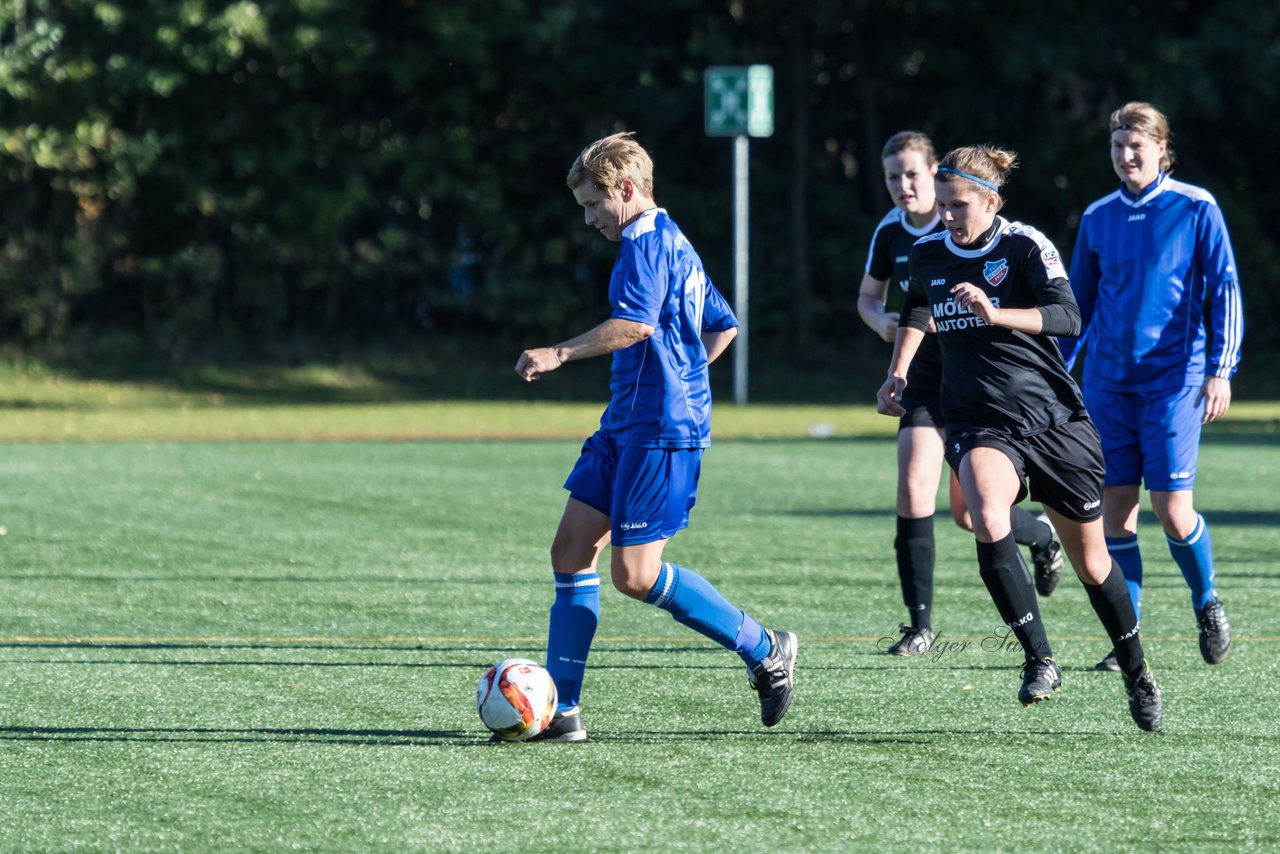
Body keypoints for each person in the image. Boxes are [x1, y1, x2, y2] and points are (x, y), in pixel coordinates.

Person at [512, 132, 797, 742]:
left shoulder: (646, 241)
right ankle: (563, 713)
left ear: (626, 190)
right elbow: (722, 324)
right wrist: (685, 374)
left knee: (635, 576)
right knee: (570, 550)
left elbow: (635, 325)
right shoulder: (674, 240)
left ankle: (764, 645)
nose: (589, 219)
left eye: (593, 205)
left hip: (661, 430)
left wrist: (560, 352)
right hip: (627, 421)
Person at [876, 145, 1163, 731]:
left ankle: (1137, 669)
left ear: (991, 200)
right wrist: (899, 372)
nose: (948, 216)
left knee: (1092, 562)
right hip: (978, 420)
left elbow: (1067, 318)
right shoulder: (928, 252)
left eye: (959, 206)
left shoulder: (1025, 245)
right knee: (984, 511)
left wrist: (996, 312)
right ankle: (1040, 660)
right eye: (945, 206)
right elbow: (916, 308)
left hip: (1055, 420)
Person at [857, 131, 1063, 657]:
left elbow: (1059, 312)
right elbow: (877, 302)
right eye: (892, 176)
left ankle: (1041, 536)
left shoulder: (988, 232)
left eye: (912, 174)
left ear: (936, 177)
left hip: (980, 379)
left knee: (970, 514)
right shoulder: (892, 232)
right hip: (926, 378)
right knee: (911, 482)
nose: (903, 185)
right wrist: (889, 333)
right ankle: (919, 625)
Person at [1059, 102, 1242, 671]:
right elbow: (1076, 308)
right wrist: (1055, 374)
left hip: (1175, 382)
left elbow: (1224, 291)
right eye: (1117, 145)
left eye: (1137, 145)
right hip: (1108, 386)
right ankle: (1127, 635)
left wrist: (1221, 369)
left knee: (1172, 510)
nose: (1126, 155)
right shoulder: (1098, 216)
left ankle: (1207, 601)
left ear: (1162, 149)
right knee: (1115, 510)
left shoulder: (1196, 207)